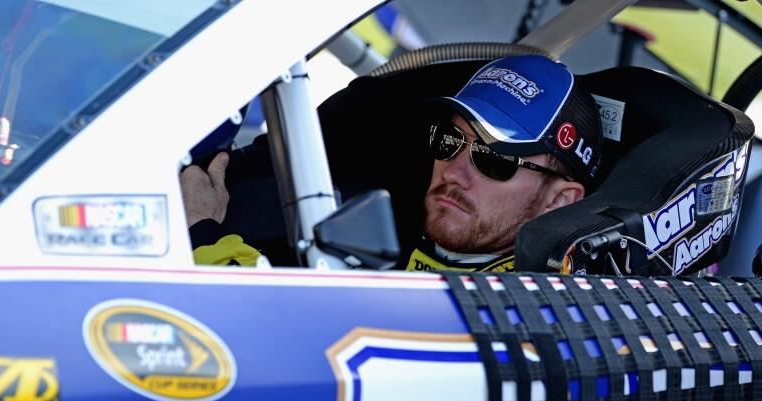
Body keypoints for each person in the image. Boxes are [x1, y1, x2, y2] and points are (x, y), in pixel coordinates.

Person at [181, 55, 604, 271]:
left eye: (494, 161)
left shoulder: (520, 305)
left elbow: (289, 343)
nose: (454, 171)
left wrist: (201, 233)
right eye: (450, 140)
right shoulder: (399, 217)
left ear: (559, 200)